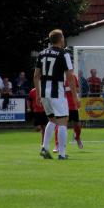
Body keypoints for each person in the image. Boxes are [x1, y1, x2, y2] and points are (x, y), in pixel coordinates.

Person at [33, 29, 77, 160]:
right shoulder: (64, 54)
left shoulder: (42, 54)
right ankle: (62, 154)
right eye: (63, 37)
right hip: (57, 93)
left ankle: (45, 148)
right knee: (63, 122)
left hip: (45, 94)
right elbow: (70, 77)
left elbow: (36, 75)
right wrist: (75, 96)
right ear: (60, 39)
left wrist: (38, 94)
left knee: (52, 120)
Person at [53, 73, 83, 152]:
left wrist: (66, 89)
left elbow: (77, 89)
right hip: (62, 105)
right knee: (60, 124)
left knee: (77, 124)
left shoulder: (72, 77)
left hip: (73, 104)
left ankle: (78, 138)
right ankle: (57, 145)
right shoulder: (58, 77)